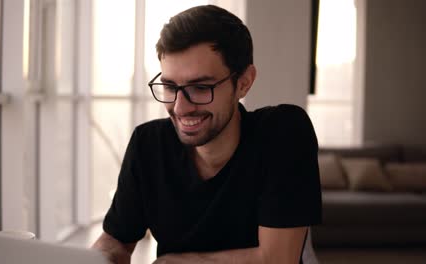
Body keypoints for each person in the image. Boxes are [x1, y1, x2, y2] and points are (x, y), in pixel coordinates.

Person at [92, 5, 321, 264]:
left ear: (244, 82)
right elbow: (116, 241)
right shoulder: (148, 144)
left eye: (200, 87)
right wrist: (98, 257)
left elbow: (277, 259)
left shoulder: (283, 132)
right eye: (169, 86)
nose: (180, 107)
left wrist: (176, 262)